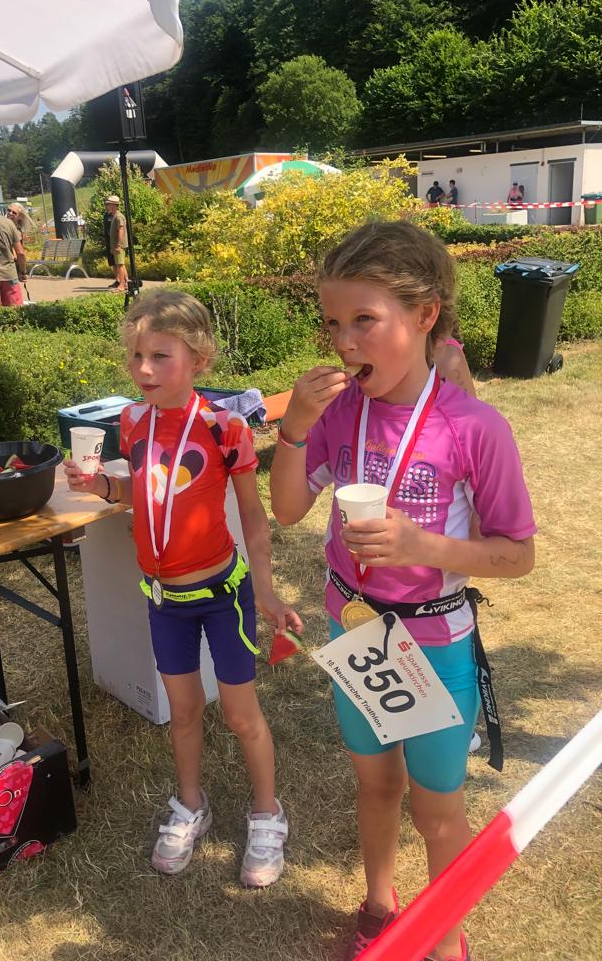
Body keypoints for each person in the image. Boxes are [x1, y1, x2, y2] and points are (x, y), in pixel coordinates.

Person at [269, 221, 536, 961]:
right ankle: (381, 905)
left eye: (364, 320)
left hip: (435, 644)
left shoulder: (475, 427)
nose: (344, 342)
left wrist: (425, 547)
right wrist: (293, 429)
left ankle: (446, 940)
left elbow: (519, 555)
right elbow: (286, 510)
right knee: (376, 785)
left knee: (438, 811)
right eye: (332, 323)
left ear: (424, 315)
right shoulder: (339, 413)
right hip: (355, 631)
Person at [64, 289, 302, 887]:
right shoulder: (132, 422)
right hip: (164, 600)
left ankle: (267, 812)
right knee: (184, 711)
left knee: (242, 716)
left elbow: (253, 517)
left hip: (223, 597)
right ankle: (191, 804)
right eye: (136, 356)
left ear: (198, 359)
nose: (143, 369)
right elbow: (142, 494)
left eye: (159, 356)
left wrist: (267, 590)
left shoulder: (225, 427)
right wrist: (101, 488)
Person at [6, 202, 36, 301]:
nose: (10, 213)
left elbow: (19, 253)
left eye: (14, 212)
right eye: (9, 210)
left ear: (19, 217)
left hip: (10, 266)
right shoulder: (5, 227)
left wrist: (21, 271)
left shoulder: (17, 231)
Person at [103, 195, 129, 292]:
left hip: (118, 246)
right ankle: (126, 284)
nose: (107, 205)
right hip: (115, 245)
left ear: (114, 205)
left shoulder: (118, 216)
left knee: (120, 264)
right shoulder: (114, 216)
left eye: (109, 204)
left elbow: (121, 230)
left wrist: (118, 245)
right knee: (119, 264)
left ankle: (121, 285)